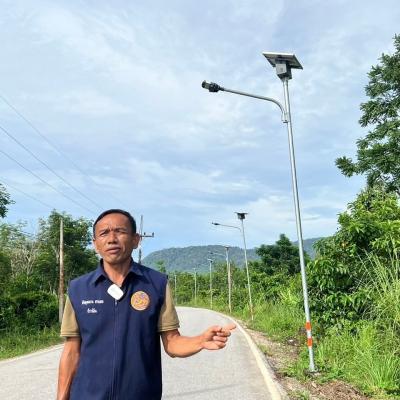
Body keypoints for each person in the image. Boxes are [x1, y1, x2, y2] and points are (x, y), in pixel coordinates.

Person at [57, 209, 236, 400]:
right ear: (95, 244)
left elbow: (172, 342)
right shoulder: (79, 289)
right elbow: (71, 352)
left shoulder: (156, 284)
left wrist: (200, 341)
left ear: (136, 240)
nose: (111, 239)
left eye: (120, 231)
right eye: (104, 233)